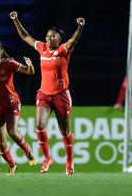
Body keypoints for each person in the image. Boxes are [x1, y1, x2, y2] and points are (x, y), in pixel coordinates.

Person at [10, 11, 85, 175]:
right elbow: (25, 36)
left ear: (59, 39)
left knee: (64, 131)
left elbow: (74, 40)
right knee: (39, 126)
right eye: (48, 36)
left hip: (61, 95)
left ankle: (70, 162)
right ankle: (47, 159)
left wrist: (80, 27)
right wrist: (16, 20)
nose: (49, 38)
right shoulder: (42, 48)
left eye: (53, 36)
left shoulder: (64, 50)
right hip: (44, 94)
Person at [0, 39, 37, 175]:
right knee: (0, 144)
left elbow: (30, 72)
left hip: (11, 104)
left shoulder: (9, 63)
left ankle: (28, 152)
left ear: (0, 49)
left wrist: (30, 66)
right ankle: (12, 165)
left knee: (12, 132)